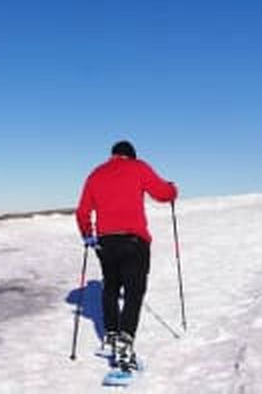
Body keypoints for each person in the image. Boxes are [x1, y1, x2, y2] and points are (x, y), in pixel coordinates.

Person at [76, 140, 177, 373]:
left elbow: (82, 211)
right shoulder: (138, 167)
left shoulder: (96, 173)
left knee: (110, 287)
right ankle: (125, 344)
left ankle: (110, 336)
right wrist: (173, 189)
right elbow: (162, 193)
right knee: (134, 291)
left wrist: (87, 235)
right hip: (134, 241)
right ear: (130, 156)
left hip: (105, 242)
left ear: (113, 155)